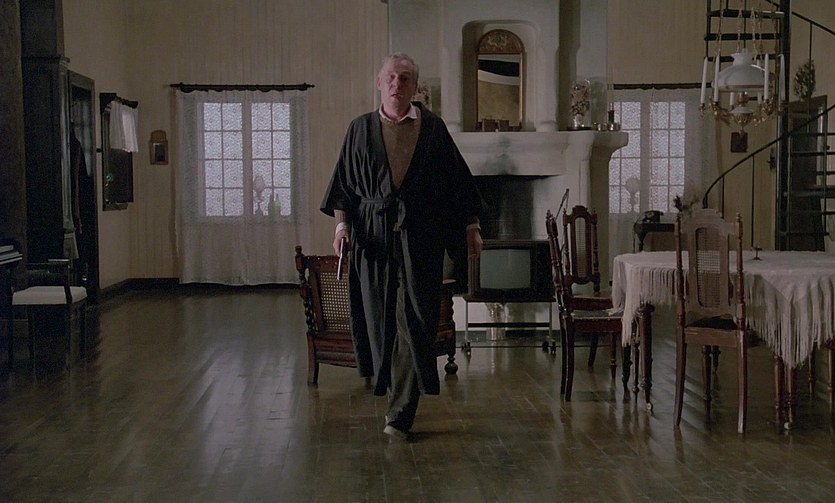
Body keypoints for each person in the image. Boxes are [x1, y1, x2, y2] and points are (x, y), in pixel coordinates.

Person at [321, 53, 485, 441]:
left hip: (421, 237)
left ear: (415, 87)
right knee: (379, 320)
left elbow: (458, 183)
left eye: (406, 78)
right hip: (372, 237)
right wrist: (342, 227)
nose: (398, 83)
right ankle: (389, 388)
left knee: (417, 322)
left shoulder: (433, 128)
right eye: (391, 77)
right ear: (380, 83)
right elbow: (343, 187)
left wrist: (472, 226)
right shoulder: (359, 129)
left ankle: (401, 411)